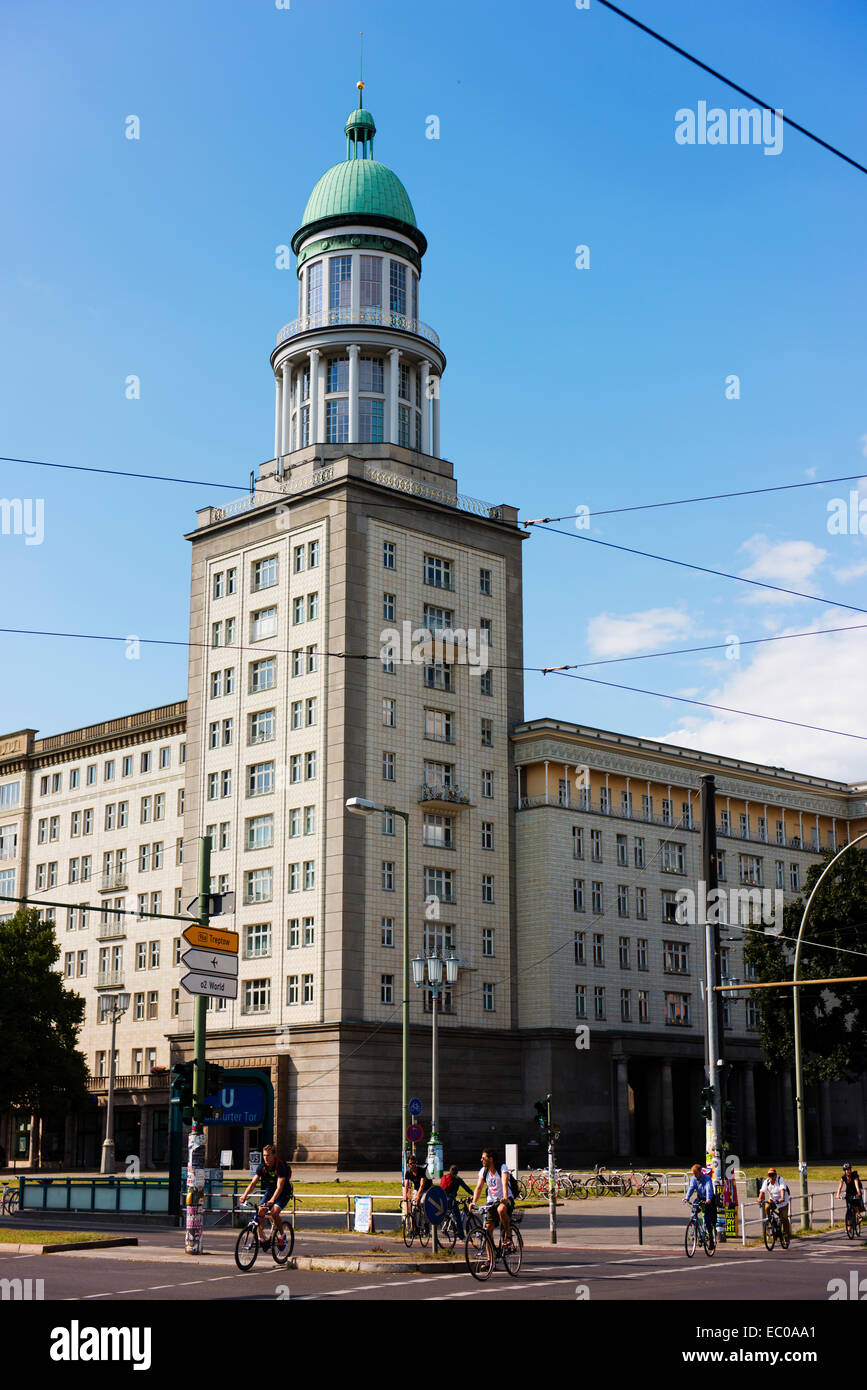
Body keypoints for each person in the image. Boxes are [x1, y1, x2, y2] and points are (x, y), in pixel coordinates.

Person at [238, 1143, 291, 1250]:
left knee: (274, 1212)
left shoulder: (280, 1166)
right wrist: (244, 1195)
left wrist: (272, 1200)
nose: (266, 1158)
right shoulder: (262, 1167)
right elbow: (253, 1184)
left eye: (268, 1155)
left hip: (284, 1192)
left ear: (274, 1155)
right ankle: (262, 1238)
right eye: (264, 1155)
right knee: (260, 1211)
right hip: (270, 1190)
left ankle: (282, 1235)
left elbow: (280, 1187)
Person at [471, 1147, 514, 1248]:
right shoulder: (483, 1171)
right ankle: (490, 1260)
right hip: (491, 1201)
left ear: (491, 1159)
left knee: (501, 1209)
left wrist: (505, 1196)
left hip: (505, 1199)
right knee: (488, 1230)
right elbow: (479, 1188)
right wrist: (473, 1202)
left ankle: (508, 1235)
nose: (481, 1160)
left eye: (483, 1158)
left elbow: (504, 1181)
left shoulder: (502, 1167)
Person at [683, 1163, 717, 1244]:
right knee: (694, 1210)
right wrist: (686, 1198)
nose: (694, 1175)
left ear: (700, 1172)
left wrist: (708, 1199)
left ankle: (711, 1241)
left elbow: (709, 1189)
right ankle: (694, 1226)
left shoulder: (707, 1178)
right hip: (700, 1198)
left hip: (709, 1199)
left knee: (708, 1220)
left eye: (695, 1173)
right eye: (693, 1174)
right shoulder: (693, 1179)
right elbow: (691, 1188)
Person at [440, 1163, 474, 1239]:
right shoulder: (457, 1178)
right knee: (458, 1217)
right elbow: (466, 1188)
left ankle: (447, 1226)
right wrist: (474, 1194)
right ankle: (461, 1236)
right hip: (451, 1198)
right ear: (457, 1172)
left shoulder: (445, 1177)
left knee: (449, 1212)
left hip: (443, 1198)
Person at [757, 1167, 791, 1242]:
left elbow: (782, 1189)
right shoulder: (767, 1181)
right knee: (767, 1207)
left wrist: (782, 1198)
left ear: (776, 1175)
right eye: (770, 1175)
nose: (771, 1177)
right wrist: (759, 1198)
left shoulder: (780, 1180)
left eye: (773, 1175)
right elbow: (762, 1191)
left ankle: (786, 1234)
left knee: (784, 1217)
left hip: (783, 1201)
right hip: (773, 1199)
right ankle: (770, 1220)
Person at [402, 1154, 431, 1225]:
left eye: (414, 1163)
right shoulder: (408, 1173)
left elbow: (422, 1184)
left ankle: (426, 1223)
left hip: (425, 1189)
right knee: (413, 1207)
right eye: (411, 1163)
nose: (413, 1165)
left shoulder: (421, 1170)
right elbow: (406, 1185)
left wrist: (418, 1195)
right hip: (416, 1189)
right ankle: (414, 1226)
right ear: (408, 1164)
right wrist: (405, 1196)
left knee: (422, 1202)